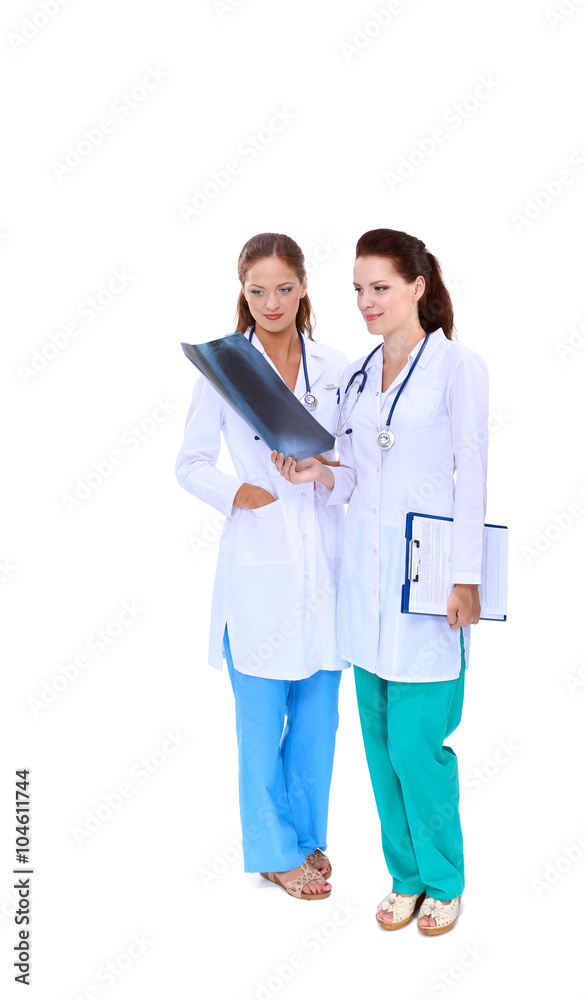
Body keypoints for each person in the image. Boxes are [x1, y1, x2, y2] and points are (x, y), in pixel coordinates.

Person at [271, 228, 489, 931]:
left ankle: (443, 878)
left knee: (416, 745)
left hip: (428, 587)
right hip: (361, 587)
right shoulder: (362, 374)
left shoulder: (457, 367)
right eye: (359, 290)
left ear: (417, 287)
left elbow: (472, 474)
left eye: (381, 288)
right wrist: (315, 472)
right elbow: (353, 473)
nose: (366, 302)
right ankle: (404, 875)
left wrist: (466, 576)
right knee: (376, 742)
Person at [175, 233, 352, 899]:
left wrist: (326, 478)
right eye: (257, 290)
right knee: (259, 718)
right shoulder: (225, 371)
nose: (271, 301)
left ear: (303, 287)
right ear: (241, 292)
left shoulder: (335, 367)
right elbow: (189, 464)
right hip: (260, 566)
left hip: (324, 564)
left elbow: (352, 465)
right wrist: (236, 492)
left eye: (283, 287)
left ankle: (306, 837)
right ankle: (274, 851)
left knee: (318, 715)